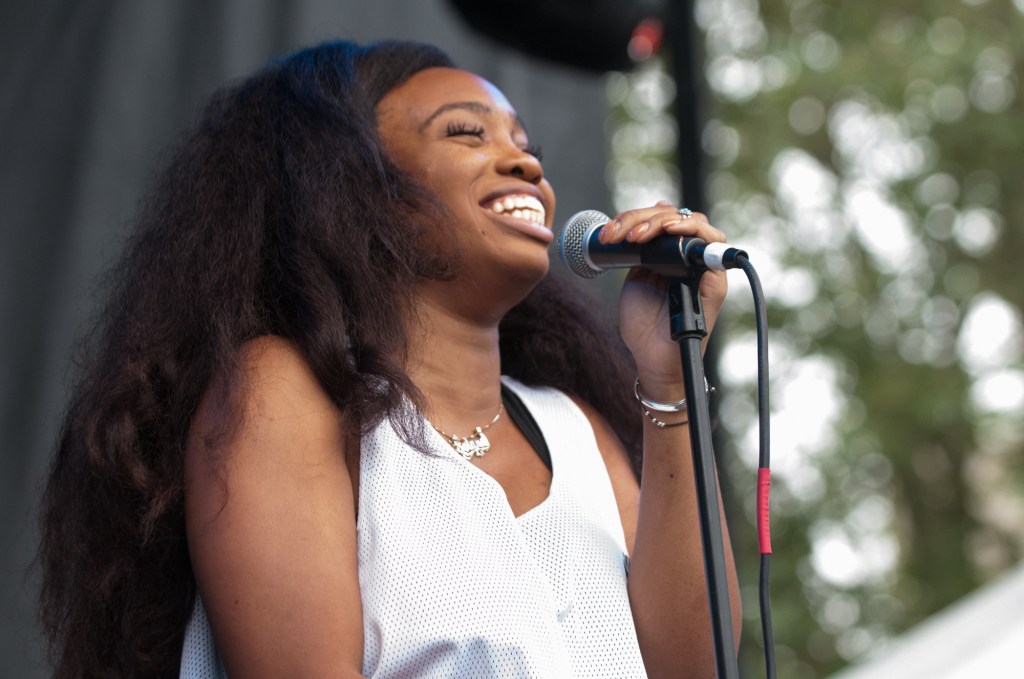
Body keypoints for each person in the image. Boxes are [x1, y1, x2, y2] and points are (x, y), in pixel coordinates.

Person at [38, 39, 740, 679]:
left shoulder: (576, 431)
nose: (525, 162)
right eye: (468, 133)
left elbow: (698, 667)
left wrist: (670, 377)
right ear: (354, 188)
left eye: (527, 147)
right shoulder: (284, 393)